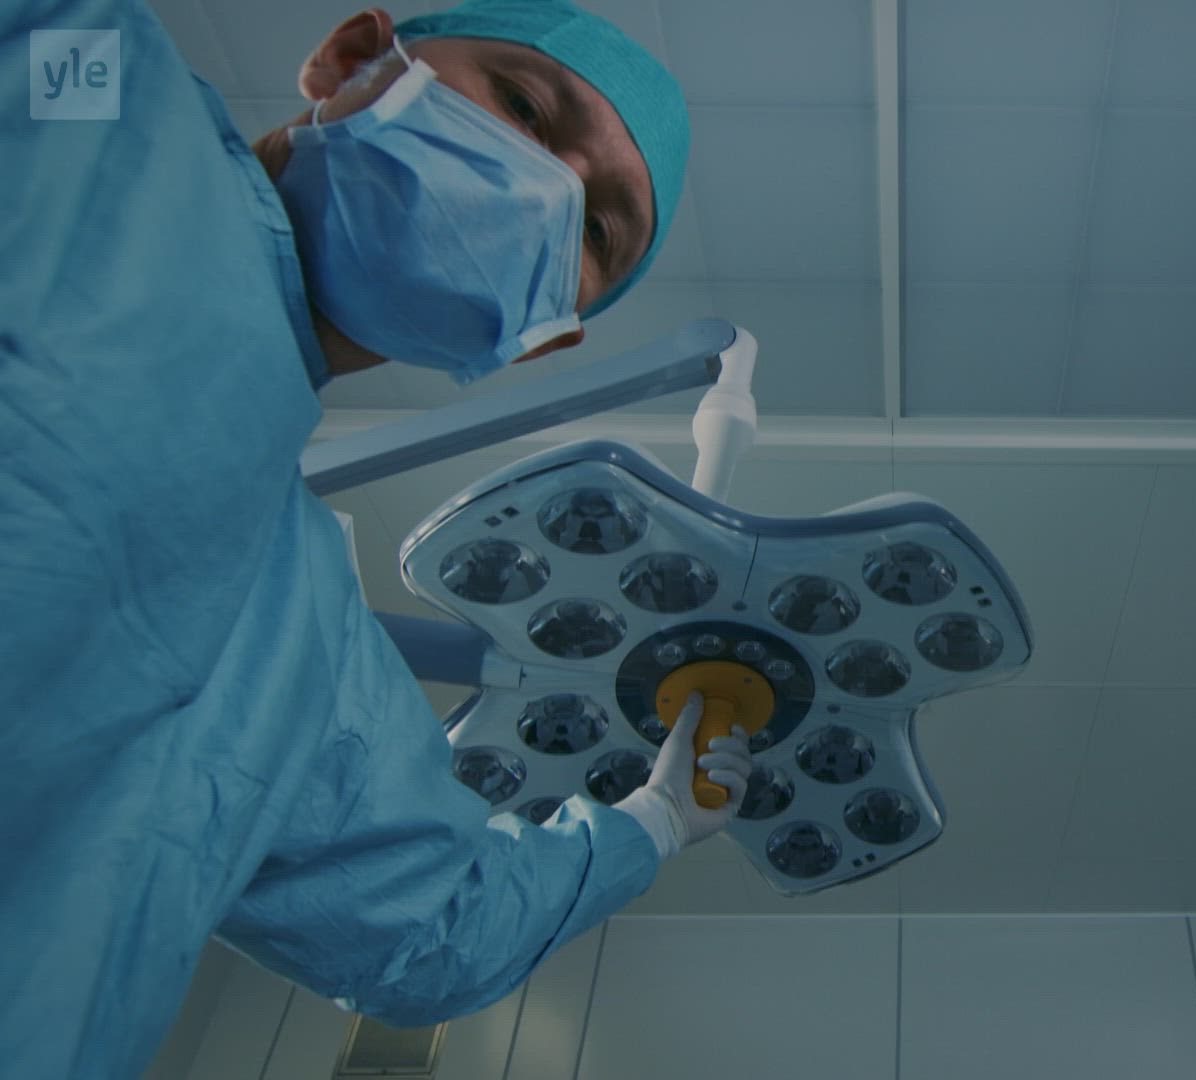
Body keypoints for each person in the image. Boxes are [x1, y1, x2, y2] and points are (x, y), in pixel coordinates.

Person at [0, 1, 754, 1075]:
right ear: (353, 58)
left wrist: (654, 822)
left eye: (594, 231)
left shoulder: (300, 647)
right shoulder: (93, 78)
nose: (545, 190)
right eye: (524, 107)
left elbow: (430, 937)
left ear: (540, 333)